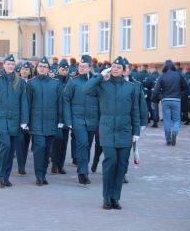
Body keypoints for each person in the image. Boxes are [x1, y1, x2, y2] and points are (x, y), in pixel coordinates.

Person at [83, 56, 140, 210]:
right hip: (107, 129)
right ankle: (106, 197)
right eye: (113, 67)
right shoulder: (103, 85)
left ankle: (116, 198)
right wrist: (100, 75)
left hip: (125, 130)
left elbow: (135, 111)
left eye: (118, 68)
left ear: (124, 71)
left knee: (122, 164)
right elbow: (86, 89)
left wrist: (136, 132)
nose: (115, 69)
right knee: (111, 162)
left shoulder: (130, 87)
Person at [0, 54, 28, 188]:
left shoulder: (20, 82)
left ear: (14, 66)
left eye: (12, 64)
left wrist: (24, 120)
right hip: (1, 120)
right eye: (8, 64)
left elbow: (24, 102)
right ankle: (1, 175)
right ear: (4, 65)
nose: (10, 66)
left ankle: (6, 177)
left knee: (11, 150)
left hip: (15, 121)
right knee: (6, 145)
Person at [27, 56, 63, 186]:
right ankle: (38, 176)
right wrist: (26, 121)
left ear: (48, 69)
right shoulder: (31, 83)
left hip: (51, 122)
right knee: (39, 147)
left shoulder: (55, 83)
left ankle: (43, 173)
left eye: (45, 67)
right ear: (37, 68)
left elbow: (60, 102)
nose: (42, 69)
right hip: (36, 121)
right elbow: (28, 103)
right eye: (40, 67)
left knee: (47, 150)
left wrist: (60, 120)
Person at [63, 55, 99, 185]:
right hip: (77, 119)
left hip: (92, 119)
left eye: (85, 66)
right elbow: (66, 100)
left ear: (90, 67)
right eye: (80, 66)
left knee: (88, 146)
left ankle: (83, 168)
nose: (82, 68)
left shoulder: (96, 82)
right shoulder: (73, 82)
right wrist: (68, 120)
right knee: (82, 143)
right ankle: (82, 173)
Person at [152, 60, 188, 146]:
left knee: (167, 120)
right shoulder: (178, 74)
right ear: (172, 66)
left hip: (165, 100)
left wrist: (153, 100)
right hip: (176, 100)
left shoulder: (162, 76)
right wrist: (179, 91)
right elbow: (186, 85)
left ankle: (168, 139)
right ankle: (174, 132)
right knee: (176, 119)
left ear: (164, 67)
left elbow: (156, 90)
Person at [51, 59, 70, 175]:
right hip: (56, 117)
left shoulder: (70, 82)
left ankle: (60, 165)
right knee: (57, 141)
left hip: (66, 117)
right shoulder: (53, 81)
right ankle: (54, 164)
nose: (64, 71)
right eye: (63, 69)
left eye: (66, 69)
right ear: (58, 69)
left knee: (64, 143)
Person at [16, 62, 33, 175]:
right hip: (18, 117)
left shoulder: (32, 83)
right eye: (23, 69)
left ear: (30, 72)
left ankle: (23, 163)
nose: (25, 71)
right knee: (19, 141)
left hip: (30, 117)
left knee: (26, 142)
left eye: (27, 70)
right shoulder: (16, 82)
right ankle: (20, 165)